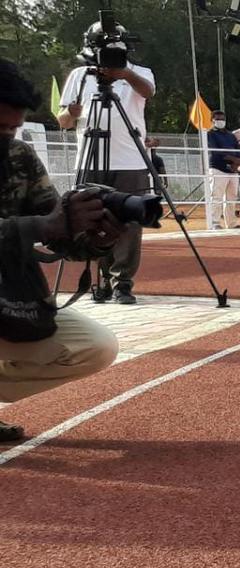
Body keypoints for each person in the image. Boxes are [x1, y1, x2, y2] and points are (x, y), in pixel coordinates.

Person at [0, 59, 121, 440]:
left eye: (11, 128)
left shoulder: (17, 156)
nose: (5, 136)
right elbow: (43, 224)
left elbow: (56, 227)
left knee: (95, 346)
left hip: (10, 295)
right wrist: (42, 225)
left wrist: (92, 237)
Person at [57, 21, 155, 305]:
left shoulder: (140, 72)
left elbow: (148, 92)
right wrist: (70, 113)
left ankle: (123, 281)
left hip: (131, 160)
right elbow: (63, 121)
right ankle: (101, 281)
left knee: (130, 221)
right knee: (93, 219)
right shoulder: (80, 75)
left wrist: (122, 72)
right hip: (89, 158)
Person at [205, 110, 240, 230]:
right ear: (212, 121)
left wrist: (237, 163)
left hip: (233, 171)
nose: (221, 121)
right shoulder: (210, 134)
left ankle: (231, 223)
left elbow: (239, 151)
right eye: (218, 119)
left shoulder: (231, 135)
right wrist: (233, 159)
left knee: (232, 198)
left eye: (222, 119)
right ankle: (214, 222)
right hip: (218, 168)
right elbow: (216, 151)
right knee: (216, 196)